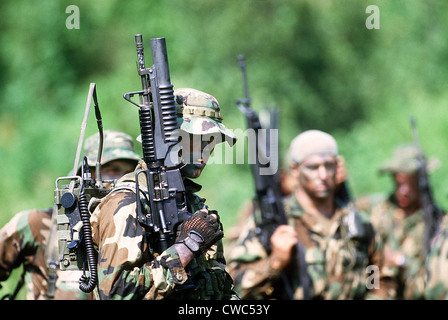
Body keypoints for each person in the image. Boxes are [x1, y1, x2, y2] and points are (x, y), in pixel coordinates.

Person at [89, 88, 239, 300]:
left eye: (212, 141)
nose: (207, 150)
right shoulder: (127, 202)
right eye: (198, 139)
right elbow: (114, 293)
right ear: (169, 139)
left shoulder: (193, 205)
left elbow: (218, 288)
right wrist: (187, 248)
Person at [227, 129, 391, 300]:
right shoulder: (273, 222)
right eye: (313, 167)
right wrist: (274, 262)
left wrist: (375, 295)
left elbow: (377, 275)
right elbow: (234, 288)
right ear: (295, 170)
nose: (323, 175)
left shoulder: (359, 222)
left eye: (329, 165)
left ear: (338, 166)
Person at [0, 130, 141, 300]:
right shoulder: (37, 224)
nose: (121, 179)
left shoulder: (134, 230)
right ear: (88, 176)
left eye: (128, 172)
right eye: (112, 170)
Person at [365, 144, 442, 300]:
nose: (403, 191)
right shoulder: (378, 210)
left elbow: (436, 280)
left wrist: (401, 261)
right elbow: (369, 266)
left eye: (410, 184)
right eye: (399, 184)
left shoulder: (437, 221)